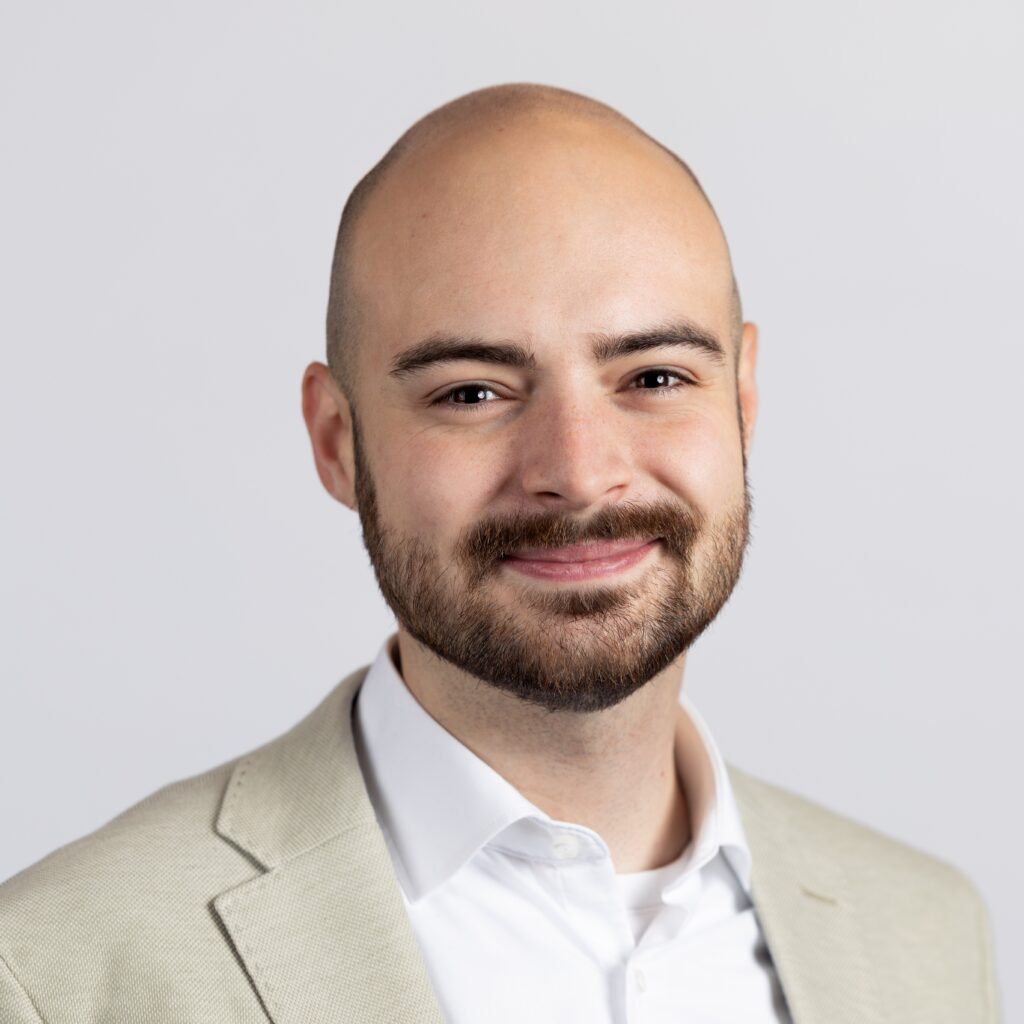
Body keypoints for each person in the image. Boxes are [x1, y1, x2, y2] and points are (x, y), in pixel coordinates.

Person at [0, 83, 1001, 1023]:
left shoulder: (927, 936)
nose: (579, 473)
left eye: (654, 377)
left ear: (741, 401)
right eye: (472, 392)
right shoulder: (53, 971)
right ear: (337, 442)